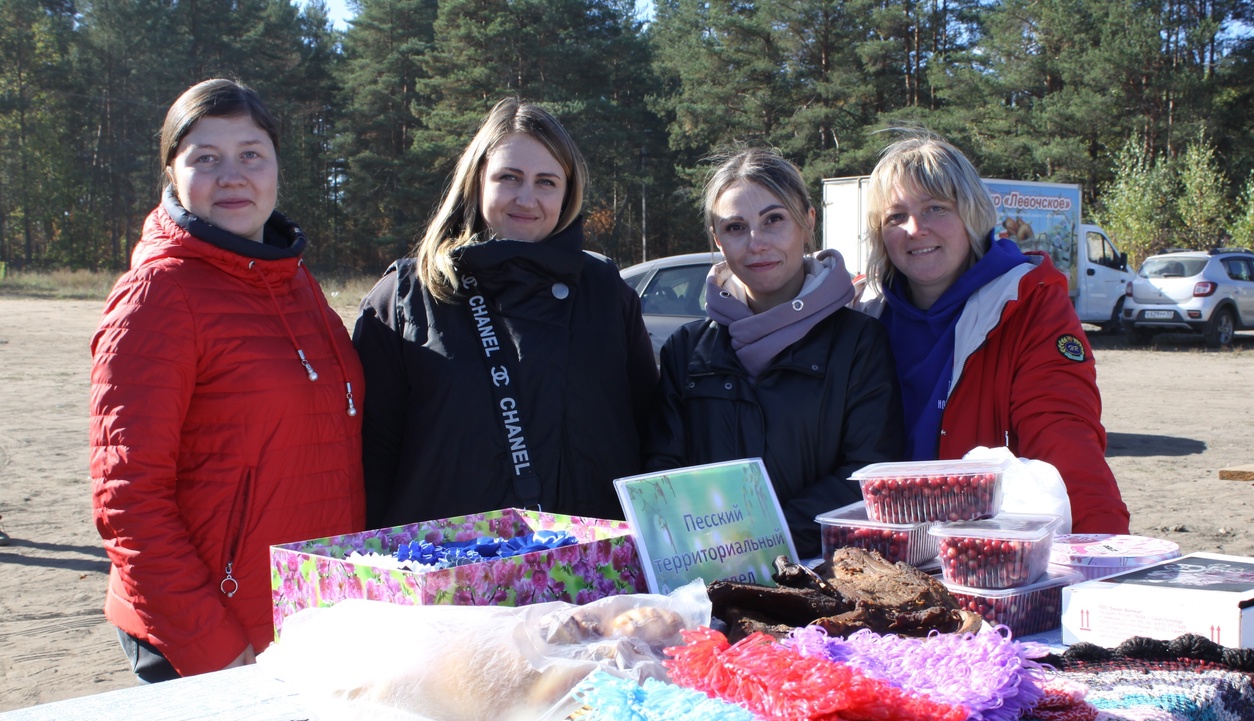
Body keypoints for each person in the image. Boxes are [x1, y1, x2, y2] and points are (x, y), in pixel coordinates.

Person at [90, 79, 365, 682]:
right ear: (173, 173)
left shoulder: (293, 281)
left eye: (250, 154)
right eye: (205, 158)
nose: (232, 175)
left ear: (276, 168)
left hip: (304, 626)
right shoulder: (158, 295)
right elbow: (129, 499)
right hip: (209, 643)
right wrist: (214, 652)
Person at [353, 97, 657, 528]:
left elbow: (649, 435)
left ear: (568, 192)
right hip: (451, 573)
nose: (526, 198)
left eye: (547, 182)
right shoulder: (406, 296)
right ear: (477, 182)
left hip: (590, 574)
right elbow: (371, 459)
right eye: (509, 178)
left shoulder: (606, 292)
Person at [859, 130, 1129, 533]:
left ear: (971, 215)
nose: (915, 228)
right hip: (880, 545)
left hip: (986, 551)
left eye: (936, 208)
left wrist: (1103, 555)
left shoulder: (1027, 303)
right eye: (896, 216)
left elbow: (1064, 440)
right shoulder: (861, 312)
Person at [646, 147, 905, 557]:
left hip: (822, 576)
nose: (756, 244)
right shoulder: (686, 350)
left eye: (774, 220)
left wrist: (761, 539)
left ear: (807, 221)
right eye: (735, 227)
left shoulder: (859, 342)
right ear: (717, 239)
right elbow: (664, 475)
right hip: (711, 575)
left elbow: (866, 473)